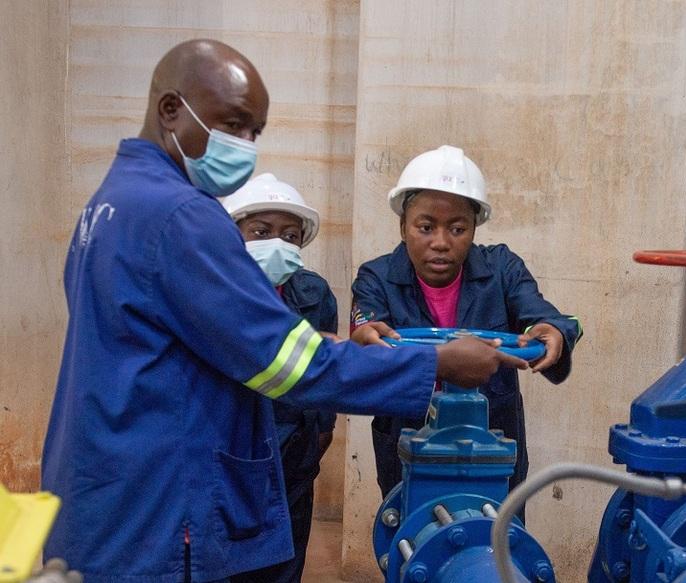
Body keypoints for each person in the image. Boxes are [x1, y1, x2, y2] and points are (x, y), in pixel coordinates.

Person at [40, 41, 525, 583]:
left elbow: (189, 341)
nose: (244, 146)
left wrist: (338, 346)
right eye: (233, 124)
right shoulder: (181, 218)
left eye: (255, 132)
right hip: (158, 505)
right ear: (171, 110)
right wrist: (435, 364)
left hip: (105, 487)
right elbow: (288, 367)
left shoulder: (109, 205)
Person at [351, 145, 583, 512]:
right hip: (408, 446)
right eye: (425, 227)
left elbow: (542, 315)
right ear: (402, 226)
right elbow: (366, 331)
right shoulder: (375, 278)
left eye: (457, 228)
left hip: (492, 449)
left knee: (499, 546)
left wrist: (552, 330)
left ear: (475, 228)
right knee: (410, 547)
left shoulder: (502, 269)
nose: (441, 242)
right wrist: (365, 341)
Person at [221, 173, 337, 582]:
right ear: (234, 234)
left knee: (285, 559)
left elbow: (327, 378)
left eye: (290, 235)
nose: (278, 243)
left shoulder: (314, 293)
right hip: (230, 455)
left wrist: (319, 435)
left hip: (295, 453)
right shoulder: (213, 293)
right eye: (261, 231)